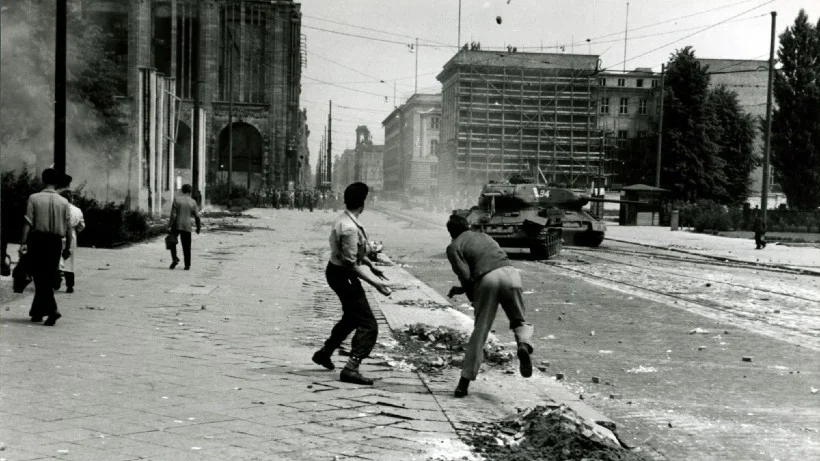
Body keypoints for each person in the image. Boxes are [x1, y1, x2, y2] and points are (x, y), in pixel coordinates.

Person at [444, 214, 534, 398]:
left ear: (451, 233)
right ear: (467, 226)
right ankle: (523, 345)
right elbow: (491, 262)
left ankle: (464, 382)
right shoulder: (484, 235)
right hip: (511, 274)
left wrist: (472, 297)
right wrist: (463, 289)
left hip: (487, 279)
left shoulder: (454, 246)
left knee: (481, 330)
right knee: (519, 320)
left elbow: (466, 275)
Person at [312, 182, 392, 385]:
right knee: (368, 324)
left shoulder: (346, 219)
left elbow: (354, 253)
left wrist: (370, 265)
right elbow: (349, 264)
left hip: (338, 272)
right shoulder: (349, 228)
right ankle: (351, 368)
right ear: (363, 203)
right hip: (342, 275)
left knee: (351, 317)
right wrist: (376, 284)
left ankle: (325, 353)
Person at [19, 168, 73, 326]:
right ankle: (37, 312)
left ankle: (52, 310)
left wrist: (23, 243)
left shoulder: (34, 198)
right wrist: (68, 247)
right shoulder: (64, 202)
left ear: (43, 180)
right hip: (56, 241)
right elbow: (69, 228)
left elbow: (28, 222)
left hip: (37, 240)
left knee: (39, 276)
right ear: (57, 183)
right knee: (47, 276)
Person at [55, 190, 85, 293]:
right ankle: (70, 285)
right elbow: (81, 225)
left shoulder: (58, 208)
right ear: (71, 198)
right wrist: (75, 231)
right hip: (71, 235)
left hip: (58, 233)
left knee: (57, 257)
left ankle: (57, 279)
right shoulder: (77, 210)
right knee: (70, 261)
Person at [168, 184, 201, 270]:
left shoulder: (176, 200)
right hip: (187, 225)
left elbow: (173, 215)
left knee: (171, 241)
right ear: (190, 191)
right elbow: (197, 216)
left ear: (182, 190)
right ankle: (187, 265)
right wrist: (198, 228)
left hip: (176, 224)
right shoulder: (193, 202)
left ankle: (175, 258)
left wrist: (169, 225)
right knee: (186, 245)